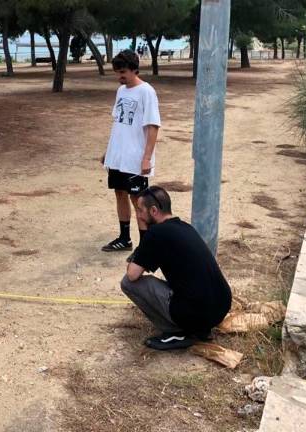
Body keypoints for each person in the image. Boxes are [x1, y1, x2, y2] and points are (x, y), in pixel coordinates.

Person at [121, 186, 232, 350]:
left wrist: (140, 248)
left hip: (196, 313)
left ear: (153, 210)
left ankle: (177, 331)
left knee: (128, 283)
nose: (138, 215)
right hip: (220, 306)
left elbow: (132, 275)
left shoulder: (156, 233)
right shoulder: (184, 226)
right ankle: (197, 327)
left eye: (140, 210)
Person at [101, 49, 161, 253]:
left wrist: (146, 158)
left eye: (123, 72)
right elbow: (118, 123)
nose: (120, 76)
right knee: (119, 194)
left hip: (135, 158)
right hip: (118, 156)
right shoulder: (121, 91)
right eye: (117, 72)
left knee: (139, 201)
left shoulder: (146, 92)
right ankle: (125, 239)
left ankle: (146, 246)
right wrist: (108, 152)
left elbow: (153, 126)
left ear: (134, 69)